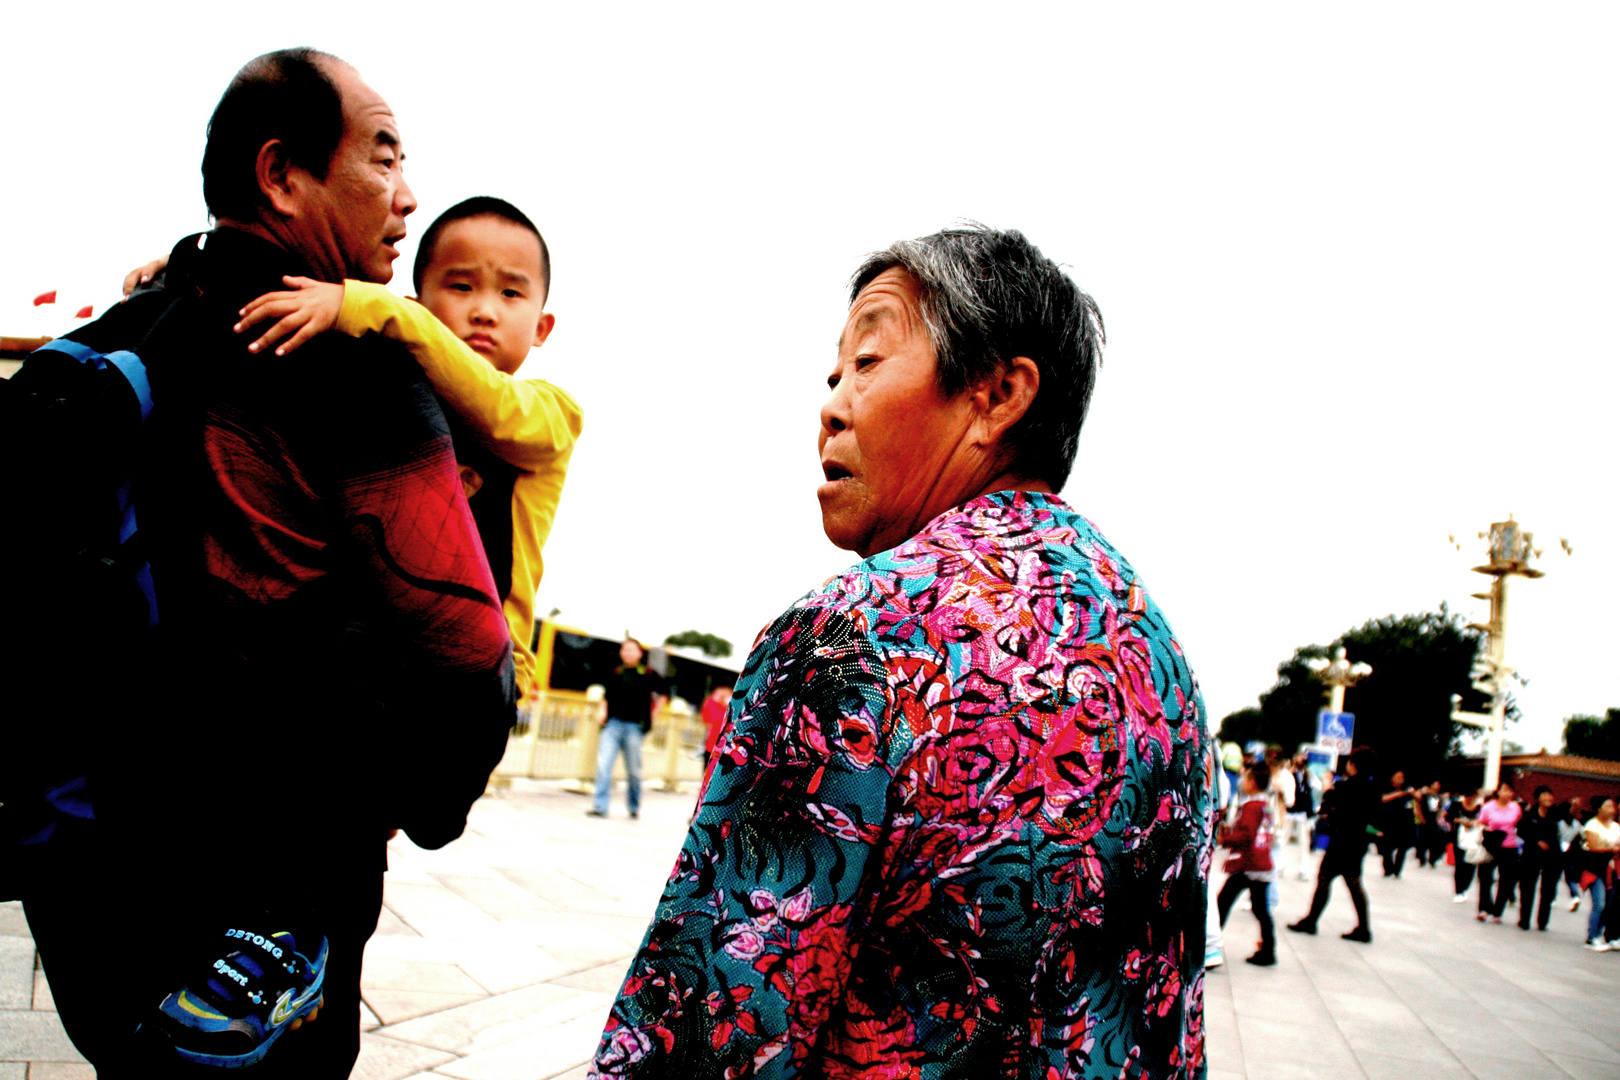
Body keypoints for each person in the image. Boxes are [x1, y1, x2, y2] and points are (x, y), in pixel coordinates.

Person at [588, 227, 1211, 1078]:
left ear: (997, 396)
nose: (833, 404)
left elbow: (712, 1023)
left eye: (869, 362)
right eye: (835, 374)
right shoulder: (1158, 660)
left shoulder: (857, 635)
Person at [9, 48, 516, 1077]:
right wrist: (428, 805)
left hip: (82, 867)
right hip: (258, 917)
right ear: (283, 174)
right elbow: (465, 658)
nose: (409, 195)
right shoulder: (349, 368)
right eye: (382, 157)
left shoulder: (122, 334)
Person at [147, 195, 584, 699]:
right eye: (461, 286)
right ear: (423, 303)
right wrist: (196, 276)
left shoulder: (553, 413)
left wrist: (369, 305)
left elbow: (496, 409)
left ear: (542, 327)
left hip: (481, 673)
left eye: (511, 294)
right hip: (382, 650)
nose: (484, 310)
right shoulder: (396, 384)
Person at [1288, 746, 1379, 944]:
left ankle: (1311, 921)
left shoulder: (1346, 786)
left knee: (1325, 879)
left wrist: (1328, 784)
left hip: (1341, 840)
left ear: (1354, 765)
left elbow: (1328, 805)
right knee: (1354, 882)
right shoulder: (1372, 788)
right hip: (1358, 841)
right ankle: (1364, 928)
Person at [589, 639, 667, 819]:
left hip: (634, 727)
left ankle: (633, 806)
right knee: (603, 765)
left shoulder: (647, 673)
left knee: (633, 770)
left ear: (640, 653)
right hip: (613, 724)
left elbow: (664, 692)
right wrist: (602, 711)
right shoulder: (616, 672)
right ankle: (600, 806)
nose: (628, 653)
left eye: (632, 650)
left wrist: (654, 714)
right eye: (625, 650)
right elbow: (606, 695)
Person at [1216, 763, 1278, 966]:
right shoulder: (1267, 805)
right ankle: (1268, 950)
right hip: (1262, 862)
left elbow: (1247, 834)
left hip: (1248, 864)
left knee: (1223, 903)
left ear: (1252, 782)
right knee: (1261, 909)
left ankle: (1208, 946)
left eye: (1246, 779)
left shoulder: (1251, 807)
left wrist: (1225, 839)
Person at [1516, 785, 1563, 931]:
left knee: (1548, 890)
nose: (1548, 798)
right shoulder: (1529, 814)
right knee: (1527, 887)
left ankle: (1543, 921)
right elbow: (1521, 830)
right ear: (1537, 798)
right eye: (1544, 795)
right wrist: (1536, 841)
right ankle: (1525, 920)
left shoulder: (1556, 814)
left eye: (1550, 795)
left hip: (1552, 856)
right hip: (1531, 854)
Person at [1476, 781, 1523, 924]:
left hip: (1510, 846)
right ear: (1498, 792)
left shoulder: (1516, 808)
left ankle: (1498, 911)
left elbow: (1520, 825)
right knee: (1485, 878)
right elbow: (1481, 823)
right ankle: (1484, 908)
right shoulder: (1488, 807)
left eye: (1510, 791)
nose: (1508, 794)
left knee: (1506, 880)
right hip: (1491, 846)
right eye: (1505, 790)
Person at [1581, 796, 1619, 950]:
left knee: (1608, 905)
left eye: (1612, 806)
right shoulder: (1592, 825)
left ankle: (1599, 935)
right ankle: (1591, 937)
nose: (1612, 809)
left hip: (1610, 870)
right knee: (1600, 903)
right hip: (1594, 869)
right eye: (1608, 806)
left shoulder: (1616, 826)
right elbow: (1593, 846)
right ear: (1599, 809)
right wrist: (1612, 849)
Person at [1376, 769, 1419, 878]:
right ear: (1392, 777)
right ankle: (1388, 868)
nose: (1400, 780)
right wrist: (1398, 794)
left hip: (1405, 823)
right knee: (1387, 848)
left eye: (1402, 777)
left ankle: (1397, 870)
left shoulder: (1407, 789)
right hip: (1389, 821)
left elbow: (1419, 798)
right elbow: (1382, 799)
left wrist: (1413, 793)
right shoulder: (1385, 787)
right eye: (1398, 777)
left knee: (1402, 848)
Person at [1446, 787, 1485, 903]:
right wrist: (1459, 821)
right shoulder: (1457, 805)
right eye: (1467, 797)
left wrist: (1474, 823)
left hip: (1474, 839)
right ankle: (1459, 891)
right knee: (1459, 866)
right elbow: (1448, 817)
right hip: (1459, 838)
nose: (1469, 799)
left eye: (1472, 797)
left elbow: (1484, 821)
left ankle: (1465, 888)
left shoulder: (1480, 808)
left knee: (1470, 865)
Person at [1559, 796, 1587, 912]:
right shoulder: (1577, 824)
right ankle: (1575, 896)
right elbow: (1585, 835)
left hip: (1561, 851)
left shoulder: (1560, 823)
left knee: (1558, 877)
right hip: (1572, 853)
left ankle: (1553, 898)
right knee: (1570, 877)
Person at [699, 684, 733, 769]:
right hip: (712, 744)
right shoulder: (710, 702)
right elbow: (706, 720)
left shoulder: (733, 705)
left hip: (728, 746)